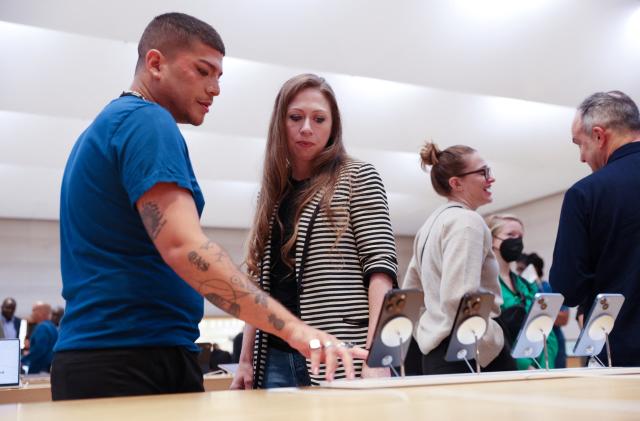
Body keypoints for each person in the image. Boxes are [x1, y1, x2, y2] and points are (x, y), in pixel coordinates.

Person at [52, 13, 363, 401]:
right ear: (155, 63)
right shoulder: (148, 123)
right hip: (133, 359)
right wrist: (298, 331)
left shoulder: (104, 128)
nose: (215, 88)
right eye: (203, 71)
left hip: (104, 355)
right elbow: (185, 247)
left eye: (219, 76)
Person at [232, 74, 398, 389]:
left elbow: (381, 271)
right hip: (275, 355)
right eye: (295, 117)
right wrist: (245, 360)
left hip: (342, 351)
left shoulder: (357, 176)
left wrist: (378, 357)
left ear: (333, 127)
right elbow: (258, 283)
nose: (307, 127)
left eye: (319, 119)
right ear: (280, 124)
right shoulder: (271, 193)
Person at [402, 142, 514, 374]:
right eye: (483, 172)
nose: (490, 179)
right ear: (456, 183)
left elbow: (410, 293)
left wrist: (426, 333)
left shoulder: (429, 226)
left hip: (436, 353)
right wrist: (492, 343)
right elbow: (460, 297)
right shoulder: (467, 222)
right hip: (467, 351)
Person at [550, 90, 640, 367]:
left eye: (580, 144)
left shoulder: (585, 194)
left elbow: (568, 287)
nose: (581, 157)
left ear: (600, 136)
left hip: (619, 353)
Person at [485, 215, 558, 370]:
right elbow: (490, 335)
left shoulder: (527, 286)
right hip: (504, 370)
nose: (517, 241)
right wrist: (524, 366)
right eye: (510, 235)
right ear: (491, 239)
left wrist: (545, 364)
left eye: (520, 237)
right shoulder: (484, 284)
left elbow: (546, 331)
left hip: (540, 370)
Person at [526, 253, 568, 368]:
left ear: (533, 270)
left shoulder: (548, 289)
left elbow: (564, 318)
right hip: (530, 346)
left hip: (552, 342)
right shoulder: (520, 291)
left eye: (521, 269)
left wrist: (539, 314)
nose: (519, 274)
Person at [21, 302, 58, 374]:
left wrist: (23, 360)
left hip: (39, 369)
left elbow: (39, 350)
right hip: (49, 368)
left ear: (40, 312)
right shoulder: (53, 327)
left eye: (33, 311)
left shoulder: (42, 328)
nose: (32, 314)